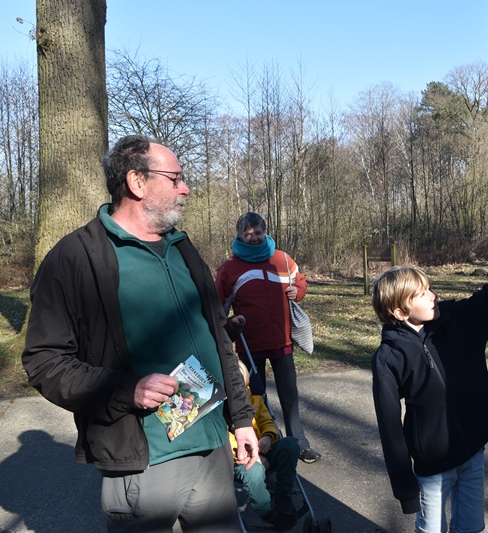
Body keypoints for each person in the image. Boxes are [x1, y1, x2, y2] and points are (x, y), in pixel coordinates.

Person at [22, 134, 258, 532]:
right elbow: (44, 360)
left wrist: (242, 418)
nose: (186, 188)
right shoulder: (75, 258)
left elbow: (219, 336)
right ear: (137, 183)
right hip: (144, 460)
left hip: (214, 449)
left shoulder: (183, 248)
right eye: (176, 178)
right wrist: (125, 389)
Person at [370, 203, 488, 533]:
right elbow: (389, 428)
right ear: (400, 312)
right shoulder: (389, 358)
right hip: (433, 468)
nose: (433, 296)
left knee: (471, 528)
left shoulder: (461, 320)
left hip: (473, 453)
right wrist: (405, 491)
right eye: (422, 294)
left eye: (429, 288)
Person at [216, 212, 321, 464]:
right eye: (248, 234)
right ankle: (263, 445)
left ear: (265, 232)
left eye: (258, 232)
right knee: (255, 400)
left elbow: (301, 281)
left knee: (290, 395)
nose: (254, 238)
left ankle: (299, 444)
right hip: (249, 346)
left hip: (282, 342)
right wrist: (228, 324)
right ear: (239, 235)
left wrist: (299, 291)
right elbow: (217, 308)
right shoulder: (229, 269)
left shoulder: (282, 259)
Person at [230, 361, 300, 531]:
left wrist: (268, 436)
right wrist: (251, 456)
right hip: (241, 458)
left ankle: (284, 495)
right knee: (253, 472)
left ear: (246, 381)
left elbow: (267, 421)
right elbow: (226, 437)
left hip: (265, 448)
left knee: (290, 444)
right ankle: (267, 511)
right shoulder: (221, 409)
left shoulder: (255, 401)